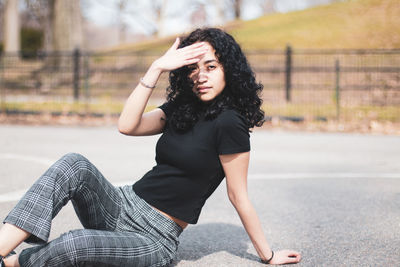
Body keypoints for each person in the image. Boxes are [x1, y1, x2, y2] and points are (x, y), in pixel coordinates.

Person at [0, 28, 301, 267]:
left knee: (75, 244)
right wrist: (156, 68)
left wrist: (268, 254)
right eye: (193, 68)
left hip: (153, 237)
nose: (201, 76)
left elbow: (239, 196)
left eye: (211, 66)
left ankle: (13, 263)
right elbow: (127, 125)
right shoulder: (183, 107)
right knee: (73, 164)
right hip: (121, 204)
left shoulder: (229, 124)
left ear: (229, 70)